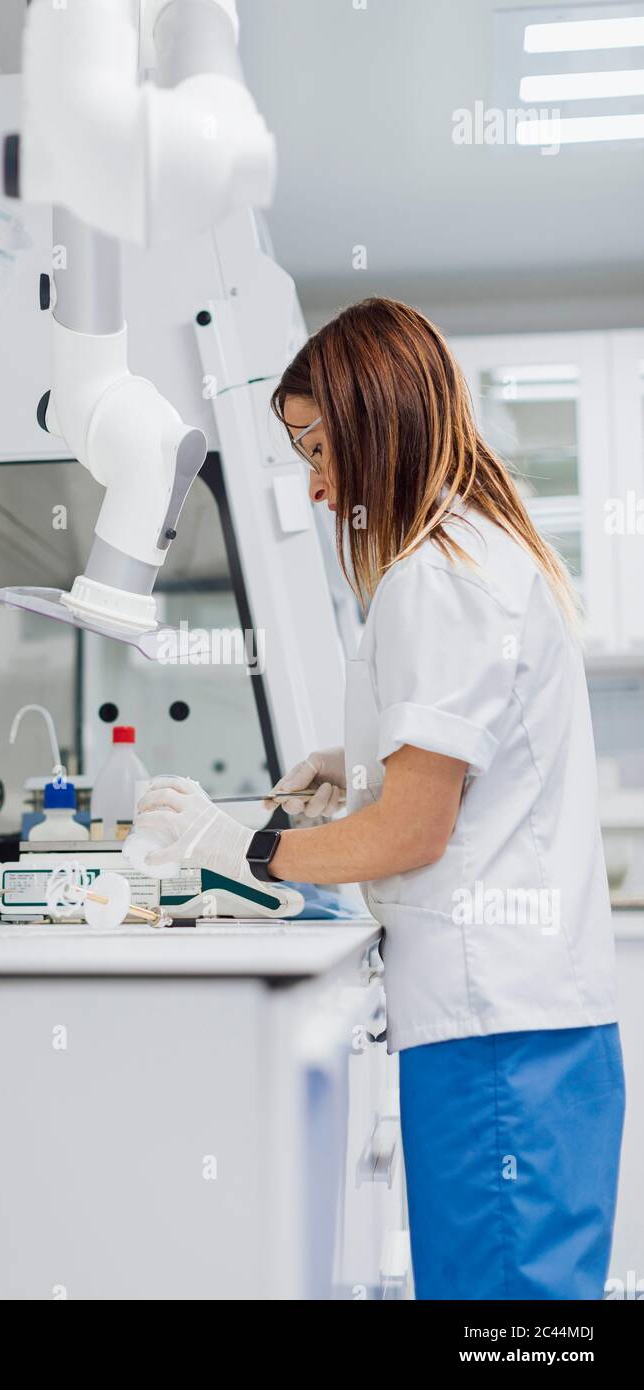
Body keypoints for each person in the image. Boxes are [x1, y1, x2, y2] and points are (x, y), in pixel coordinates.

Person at [128, 297, 624, 1300]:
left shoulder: (434, 579)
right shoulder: (475, 550)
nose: (312, 484)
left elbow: (411, 829)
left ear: (375, 424)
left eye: (316, 447)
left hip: (492, 1036)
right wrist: (348, 759)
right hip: (529, 1029)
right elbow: (447, 777)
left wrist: (235, 847)